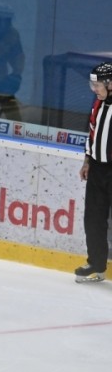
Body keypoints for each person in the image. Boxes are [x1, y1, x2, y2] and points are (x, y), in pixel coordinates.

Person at [74, 61, 112, 283]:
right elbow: (92, 132)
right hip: (97, 169)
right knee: (93, 219)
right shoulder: (98, 103)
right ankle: (96, 265)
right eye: (93, 85)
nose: (94, 89)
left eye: (97, 85)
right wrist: (87, 160)